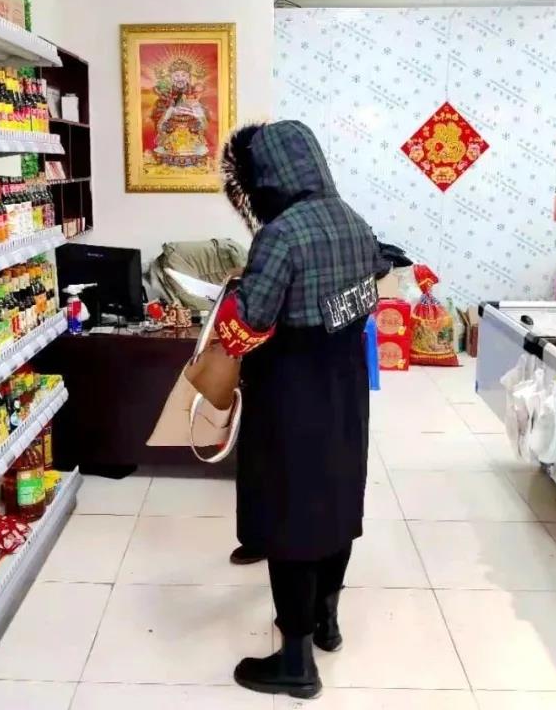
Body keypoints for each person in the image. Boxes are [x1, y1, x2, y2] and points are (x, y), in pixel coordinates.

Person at [215, 120, 382, 699]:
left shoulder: (281, 234)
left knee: (290, 518)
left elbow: (250, 322)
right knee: (335, 500)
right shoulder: (353, 220)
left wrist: (233, 298)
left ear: (267, 176)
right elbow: (365, 291)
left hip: (292, 391)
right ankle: (327, 622)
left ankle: (295, 663)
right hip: (345, 386)